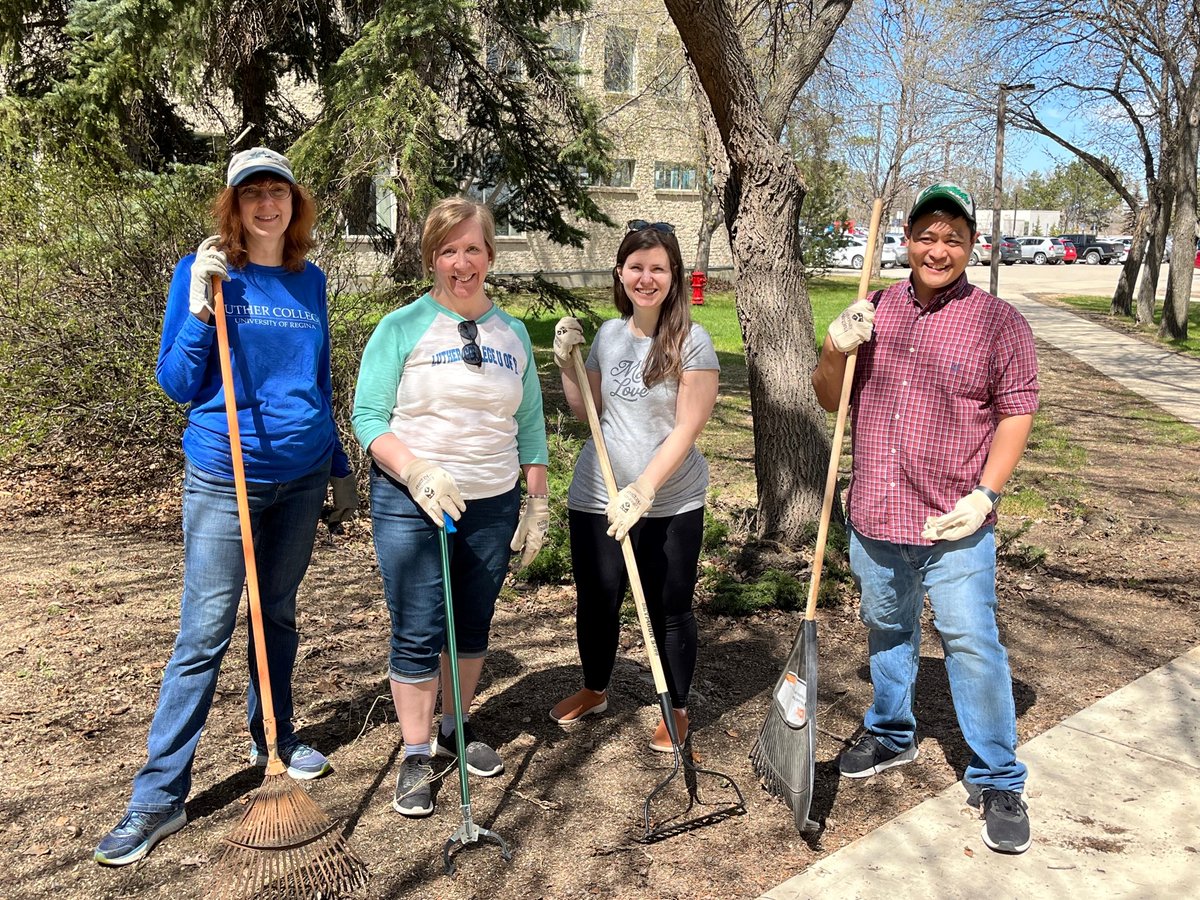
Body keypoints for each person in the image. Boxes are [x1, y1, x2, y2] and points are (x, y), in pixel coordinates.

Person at [94, 147, 357, 867]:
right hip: (223, 474)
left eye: (278, 192)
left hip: (300, 477)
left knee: (277, 614)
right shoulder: (203, 271)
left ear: (293, 204)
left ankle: (273, 735)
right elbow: (177, 382)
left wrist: (338, 468)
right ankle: (157, 797)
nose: (266, 205)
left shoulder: (311, 282)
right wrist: (201, 307)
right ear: (234, 207)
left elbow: (319, 377)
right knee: (204, 633)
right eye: (252, 194)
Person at [812, 183, 1039, 854]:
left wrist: (986, 495)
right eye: (927, 235)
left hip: (954, 524)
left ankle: (998, 775)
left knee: (971, 641)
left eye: (953, 238)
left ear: (971, 246)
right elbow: (830, 399)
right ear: (906, 240)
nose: (938, 249)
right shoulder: (874, 309)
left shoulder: (1000, 322)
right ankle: (890, 731)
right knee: (887, 628)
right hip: (878, 514)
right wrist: (835, 344)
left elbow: (1017, 410)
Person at [351, 196, 549, 818]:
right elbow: (368, 418)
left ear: (491, 255)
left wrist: (536, 501)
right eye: (447, 250)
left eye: (472, 249)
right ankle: (416, 754)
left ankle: (454, 727)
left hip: (492, 500)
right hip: (415, 501)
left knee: (471, 620)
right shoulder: (402, 326)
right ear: (431, 257)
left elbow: (532, 424)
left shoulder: (512, 333)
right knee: (418, 625)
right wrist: (415, 469)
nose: (461, 262)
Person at [548, 220, 720, 752]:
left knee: (669, 606)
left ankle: (677, 708)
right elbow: (590, 414)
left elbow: (689, 425)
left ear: (674, 276)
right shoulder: (608, 335)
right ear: (620, 274)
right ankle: (595, 688)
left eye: (658, 268)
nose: (647, 278)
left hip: (668, 500)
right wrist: (567, 369)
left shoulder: (692, 341)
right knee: (597, 599)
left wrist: (644, 488)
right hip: (598, 494)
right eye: (637, 268)